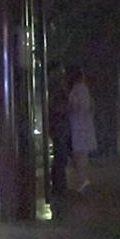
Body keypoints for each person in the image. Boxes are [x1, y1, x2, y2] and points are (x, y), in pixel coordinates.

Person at [67, 66, 97, 192]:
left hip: (78, 125)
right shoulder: (85, 90)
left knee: (79, 154)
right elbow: (90, 106)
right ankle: (83, 179)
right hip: (85, 125)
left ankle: (82, 180)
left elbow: (75, 106)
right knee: (83, 154)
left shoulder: (76, 90)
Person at [47, 63, 70, 196]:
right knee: (60, 156)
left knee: (60, 156)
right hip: (59, 126)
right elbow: (58, 107)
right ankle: (59, 185)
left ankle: (59, 184)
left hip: (58, 126)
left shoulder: (56, 88)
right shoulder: (57, 89)